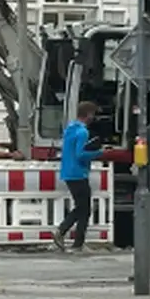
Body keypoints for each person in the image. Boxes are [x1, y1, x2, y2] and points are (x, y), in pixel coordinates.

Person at [52, 101, 103, 252]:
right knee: (84, 208)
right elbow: (81, 154)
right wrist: (99, 152)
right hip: (79, 172)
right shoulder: (83, 132)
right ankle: (67, 236)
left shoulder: (70, 129)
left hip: (68, 172)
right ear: (88, 115)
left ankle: (75, 241)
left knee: (82, 207)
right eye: (93, 114)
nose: (94, 117)